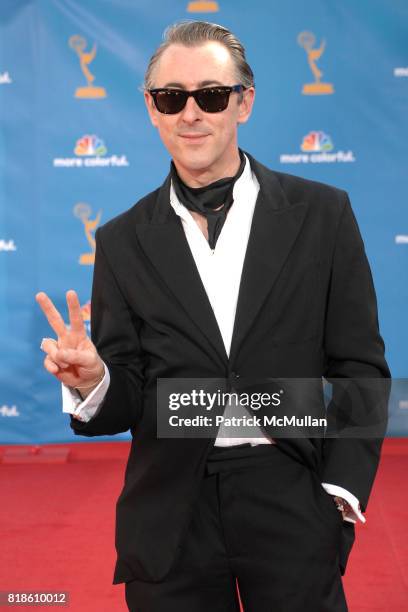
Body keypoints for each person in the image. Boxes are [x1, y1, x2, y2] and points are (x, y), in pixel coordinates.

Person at [36, 20, 390, 612]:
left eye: (212, 95)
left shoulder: (323, 214)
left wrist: (340, 489)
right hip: (171, 510)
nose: (191, 114)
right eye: (172, 98)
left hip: (291, 492)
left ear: (244, 102)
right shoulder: (122, 240)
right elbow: (125, 394)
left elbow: (361, 366)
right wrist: (95, 381)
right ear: (152, 109)